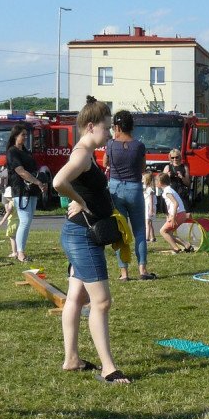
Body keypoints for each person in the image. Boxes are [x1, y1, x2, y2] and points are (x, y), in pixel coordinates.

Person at [52, 96, 131, 385]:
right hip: (82, 237)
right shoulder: (83, 154)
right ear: (90, 127)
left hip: (78, 234)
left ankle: (72, 359)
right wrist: (81, 201)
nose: (110, 134)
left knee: (76, 297)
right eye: (106, 128)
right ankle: (109, 369)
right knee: (102, 301)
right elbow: (58, 182)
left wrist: (81, 199)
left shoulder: (86, 153)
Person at [104, 110, 155, 281]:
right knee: (140, 230)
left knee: (121, 230)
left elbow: (105, 162)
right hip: (134, 187)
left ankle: (124, 272)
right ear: (131, 126)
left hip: (116, 188)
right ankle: (143, 270)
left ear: (117, 127)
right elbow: (142, 168)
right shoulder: (139, 146)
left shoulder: (111, 144)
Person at [6, 123, 41, 263]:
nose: (26, 137)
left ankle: (21, 251)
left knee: (28, 221)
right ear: (16, 136)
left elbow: (33, 170)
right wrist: (36, 181)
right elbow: (20, 171)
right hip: (20, 190)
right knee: (24, 220)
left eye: (26, 135)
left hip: (31, 190)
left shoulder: (26, 152)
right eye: (23, 135)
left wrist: (40, 182)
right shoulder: (12, 152)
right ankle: (20, 253)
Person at [158, 172, 194, 253]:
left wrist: (173, 217)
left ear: (160, 183)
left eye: (156, 181)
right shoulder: (170, 189)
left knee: (162, 231)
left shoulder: (167, 191)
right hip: (182, 214)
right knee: (169, 233)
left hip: (177, 214)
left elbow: (175, 203)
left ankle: (176, 249)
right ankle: (187, 246)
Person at [143, 171, 157, 243]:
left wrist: (151, 210)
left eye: (144, 179)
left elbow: (151, 201)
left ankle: (147, 238)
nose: (142, 180)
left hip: (149, 207)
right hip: (147, 207)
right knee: (150, 223)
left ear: (147, 180)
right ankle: (153, 237)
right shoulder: (146, 188)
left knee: (147, 223)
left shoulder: (150, 190)